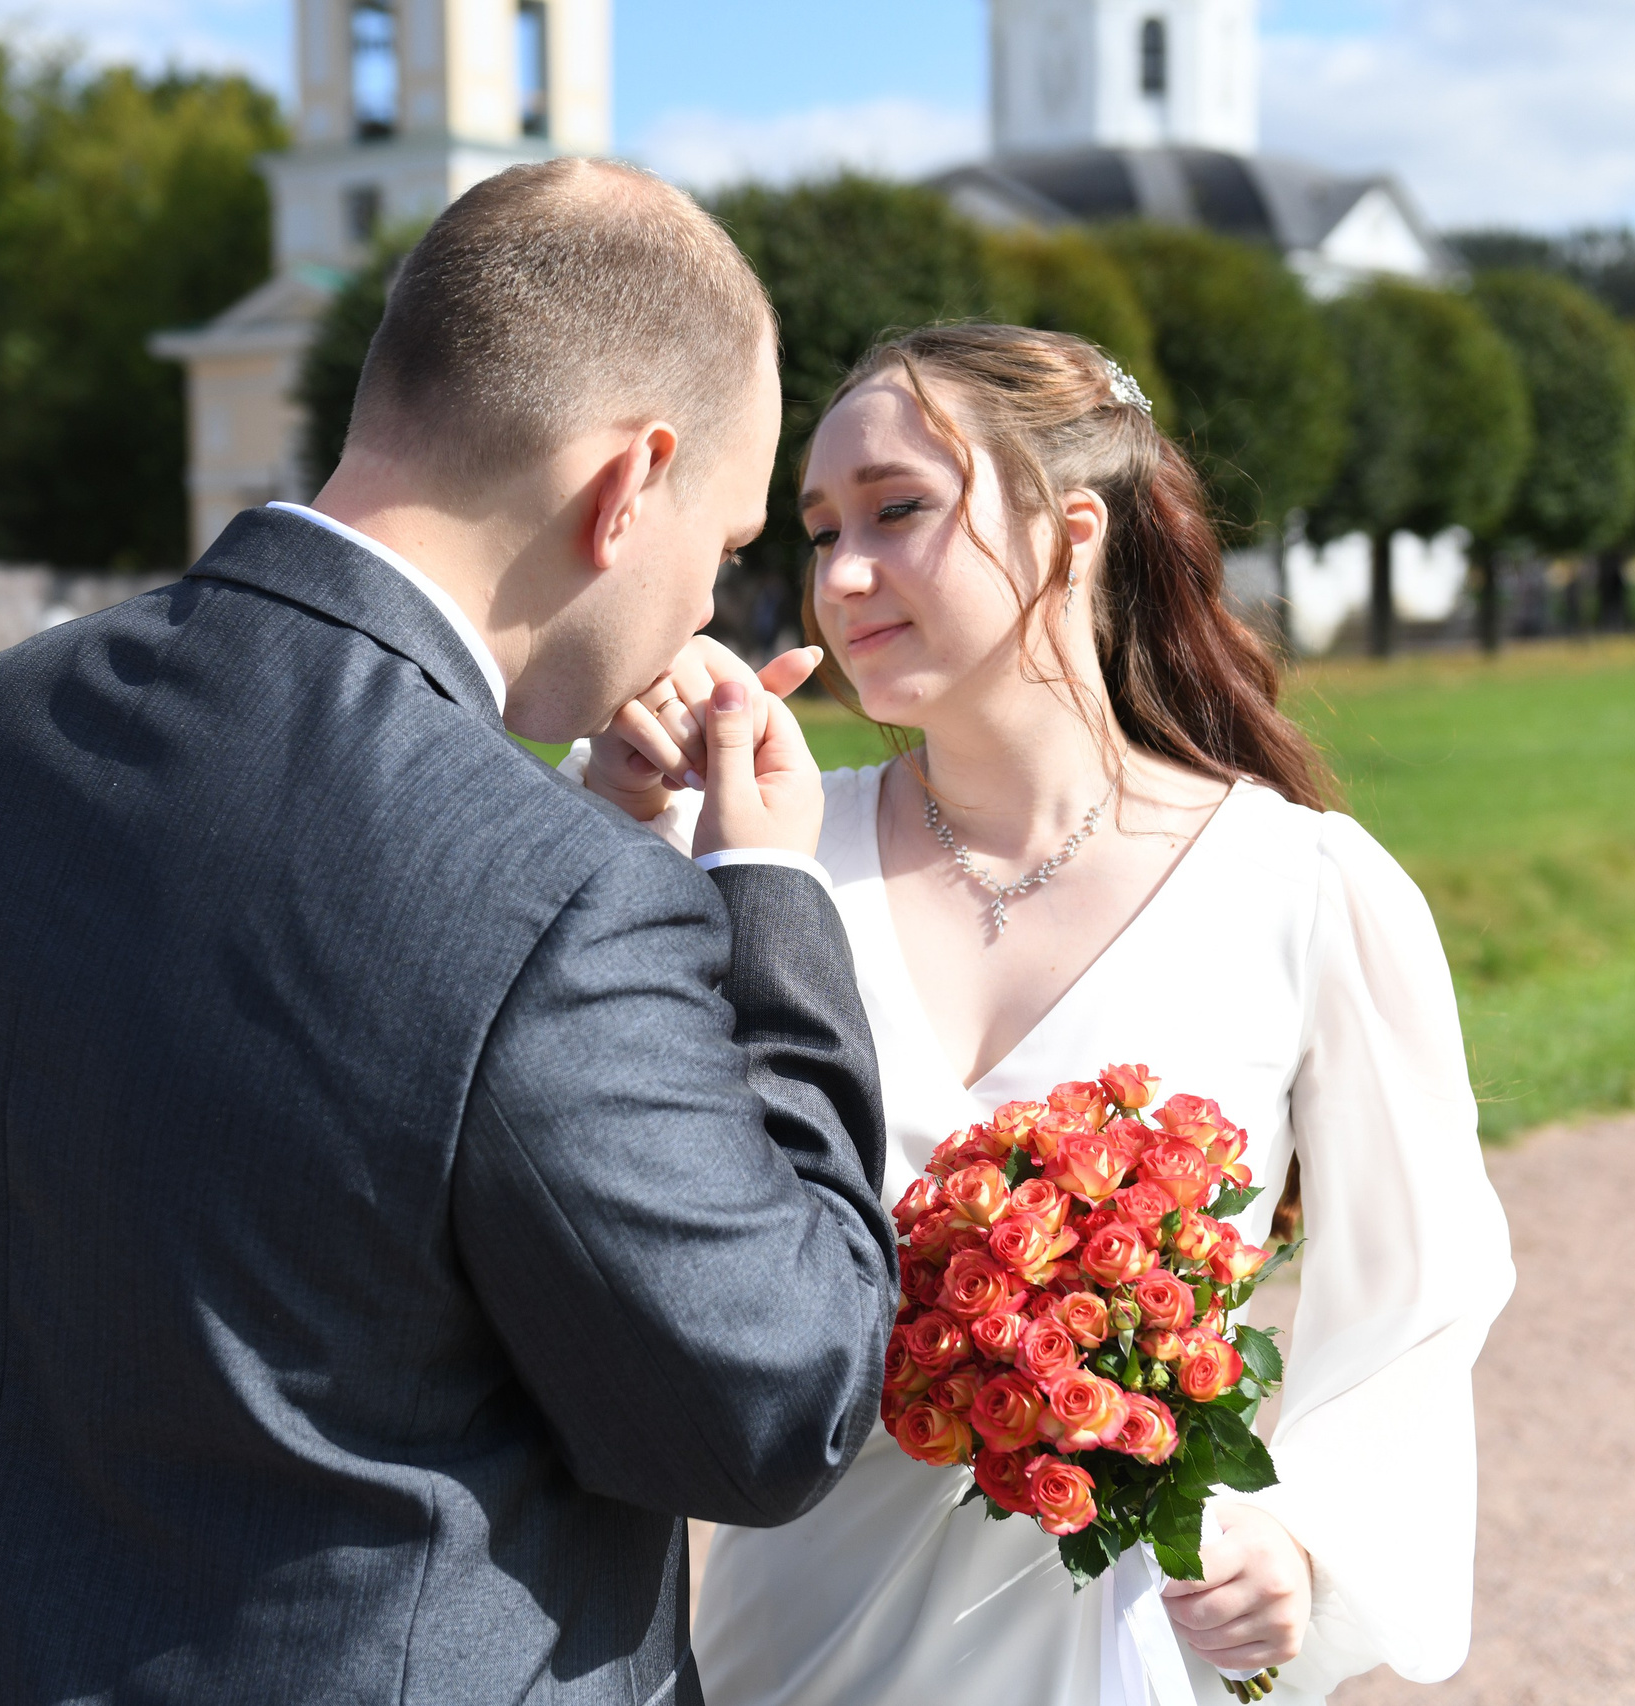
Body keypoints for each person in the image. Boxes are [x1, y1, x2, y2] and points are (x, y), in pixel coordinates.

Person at [0, 160, 897, 1705]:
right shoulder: (558, 902)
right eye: (725, 549)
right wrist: (767, 900)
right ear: (628, 485)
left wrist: (575, 839)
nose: (706, 613)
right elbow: (774, 1387)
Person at [577, 324, 1517, 1706]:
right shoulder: (760, 861)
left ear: (1073, 530)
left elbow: (1423, 1297)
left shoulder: (1305, 889)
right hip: (800, 1640)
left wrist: (1299, 1531)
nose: (839, 574)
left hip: (1125, 1653)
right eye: (820, 526)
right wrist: (612, 813)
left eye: (899, 510)